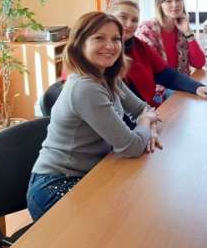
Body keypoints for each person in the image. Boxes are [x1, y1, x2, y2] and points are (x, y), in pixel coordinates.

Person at [27, 12, 162, 221]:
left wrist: (149, 131)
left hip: (93, 172)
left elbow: (143, 108)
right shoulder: (85, 88)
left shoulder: (107, 76)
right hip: (56, 184)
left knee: (140, 208)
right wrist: (145, 123)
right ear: (80, 44)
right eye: (99, 38)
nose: (110, 46)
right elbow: (132, 146)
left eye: (115, 39)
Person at [107, 0, 207, 106]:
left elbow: (166, 74)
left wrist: (197, 87)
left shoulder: (140, 46)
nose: (129, 24)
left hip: (149, 111)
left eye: (134, 20)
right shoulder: (103, 54)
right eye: (123, 17)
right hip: (133, 116)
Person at [136, 0, 205, 97]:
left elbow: (199, 63)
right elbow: (148, 72)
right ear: (159, 5)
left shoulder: (182, 28)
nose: (175, 4)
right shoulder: (147, 30)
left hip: (180, 86)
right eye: (168, 1)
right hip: (157, 91)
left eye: (178, 0)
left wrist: (188, 33)